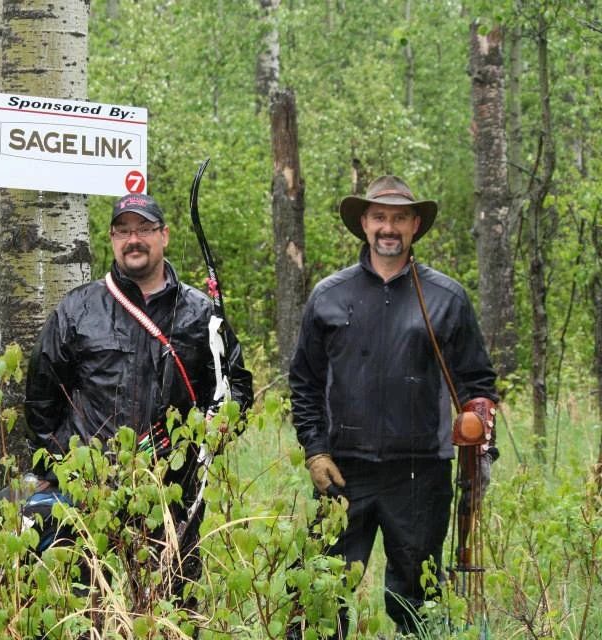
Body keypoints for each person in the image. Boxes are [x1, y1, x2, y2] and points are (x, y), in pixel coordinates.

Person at [288, 175, 498, 635]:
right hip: (343, 472)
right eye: (379, 217)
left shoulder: (446, 297)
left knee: (417, 601)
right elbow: (304, 383)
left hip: (421, 473)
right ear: (364, 223)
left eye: (399, 218)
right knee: (320, 597)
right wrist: (316, 451)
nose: (389, 227)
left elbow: (477, 383)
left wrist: (481, 442)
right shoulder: (329, 295)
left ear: (415, 225)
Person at [24, 191, 253, 598]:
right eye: (123, 230)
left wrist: (219, 424)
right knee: (84, 605)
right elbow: (41, 394)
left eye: (144, 229)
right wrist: (62, 467)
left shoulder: (200, 313)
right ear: (112, 239)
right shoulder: (79, 308)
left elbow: (234, 384)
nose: (134, 239)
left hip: (171, 491)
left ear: (164, 235)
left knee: (170, 605)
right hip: (89, 491)